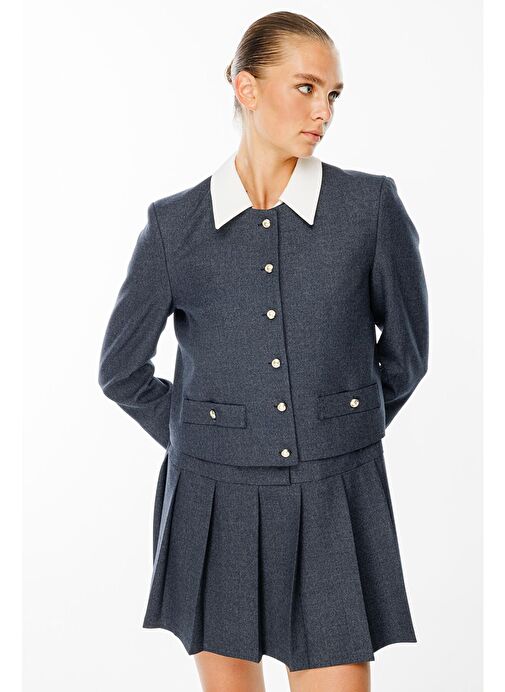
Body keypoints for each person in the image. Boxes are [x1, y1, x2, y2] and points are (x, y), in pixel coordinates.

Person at [98, 10, 429, 692]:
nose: (323, 111)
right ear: (246, 88)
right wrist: (198, 434)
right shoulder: (174, 225)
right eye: (305, 88)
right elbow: (120, 371)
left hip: (334, 495)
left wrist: (340, 427)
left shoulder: (368, 207)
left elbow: (406, 355)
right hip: (211, 500)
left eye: (332, 94)